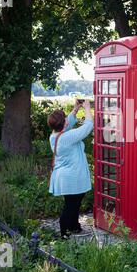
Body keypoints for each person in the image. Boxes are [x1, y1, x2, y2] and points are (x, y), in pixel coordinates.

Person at [47, 99, 93, 238]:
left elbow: (68, 123)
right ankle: (64, 232)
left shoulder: (55, 135)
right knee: (71, 205)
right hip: (71, 176)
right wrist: (86, 108)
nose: (67, 120)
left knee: (74, 202)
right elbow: (88, 126)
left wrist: (75, 109)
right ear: (63, 124)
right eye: (65, 119)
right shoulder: (67, 137)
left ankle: (74, 227)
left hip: (65, 175)